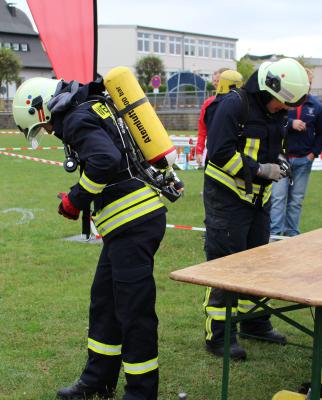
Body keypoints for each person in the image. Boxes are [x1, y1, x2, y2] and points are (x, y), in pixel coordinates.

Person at [12, 76, 177, 399]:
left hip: (133, 223)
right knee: (104, 304)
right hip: (127, 224)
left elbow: (105, 160)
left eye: (41, 127)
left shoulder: (75, 118)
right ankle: (97, 379)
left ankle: (141, 393)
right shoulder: (90, 108)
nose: (46, 132)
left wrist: (75, 199)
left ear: (41, 110)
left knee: (134, 312)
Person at [202, 58, 310, 361]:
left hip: (258, 200)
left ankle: (255, 323)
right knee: (225, 266)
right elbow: (220, 153)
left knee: (258, 263)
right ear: (267, 89)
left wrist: (281, 160)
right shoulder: (233, 106)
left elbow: (275, 145)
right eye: (282, 103)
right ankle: (219, 337)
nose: (285, 109)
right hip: (226, 198)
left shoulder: (276, 112)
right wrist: (260, 170)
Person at [270, 68, 322, 237]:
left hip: (303, 160)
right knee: (278, 198)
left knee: (296, 201)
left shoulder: (316, 106)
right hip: (282, 159)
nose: (305, 85)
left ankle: (292, 234)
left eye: (308, 82)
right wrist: (291, 123)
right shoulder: (283, 101)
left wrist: (313, 154)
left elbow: (321, 133)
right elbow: (274, 123)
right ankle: (275, 234)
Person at [196, 67, 229, 167]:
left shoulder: (239, 102)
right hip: (212, 155)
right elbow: (202, 130)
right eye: (214, 81)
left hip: (232, 154)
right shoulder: (208, 104)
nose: (215, 83)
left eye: (218, 81)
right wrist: (199, 151)